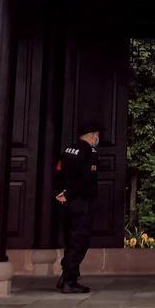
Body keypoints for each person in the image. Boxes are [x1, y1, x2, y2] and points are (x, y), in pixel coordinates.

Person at [54, 121, 101, 294]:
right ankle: (70, 280)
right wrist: (69, 194)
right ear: (92, 135)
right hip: (80, 201)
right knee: (79, 241)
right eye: (97, 136)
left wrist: (60, 193)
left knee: (70, 239)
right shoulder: (90, 152)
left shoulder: (68, 149)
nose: (97, 139)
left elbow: (58, 172)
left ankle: (65, 275)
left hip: (65, 202)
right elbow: (85, 180)